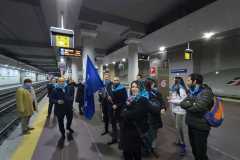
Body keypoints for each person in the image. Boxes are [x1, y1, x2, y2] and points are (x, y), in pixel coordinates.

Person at [180, 73, 214, 160]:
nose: (186, 82)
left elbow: (198, 107)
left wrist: (190, 104)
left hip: (201, 127)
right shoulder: (192, 91)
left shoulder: (206, 92)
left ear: (194, 81)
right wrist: (192, 104)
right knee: (194, 149)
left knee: (200, 152)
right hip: (191, 124)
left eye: (188, 80)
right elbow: (182, 103)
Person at [121, 81, 150, 160]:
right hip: (126, 130)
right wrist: (126, 113)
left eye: (136, 87)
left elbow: (136, 114)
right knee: (127, 153)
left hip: (136, 131)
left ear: (140, 88)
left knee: (136, 152)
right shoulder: (129, 99)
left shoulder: (143, 100)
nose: (134, 89)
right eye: (132, 87)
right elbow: (122, 112)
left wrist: (126, 113)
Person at [51, 77, 75, 148]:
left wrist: (71, 102)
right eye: (60, 81)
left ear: (65, 82)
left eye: (63, 81)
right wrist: (57, 101)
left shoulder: (68, 88)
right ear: (57, 82)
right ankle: (63, 133)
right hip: (60, 109)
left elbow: (71, 96)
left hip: (68, 108)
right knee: (60, 122)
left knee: (70, 119)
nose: (61, 82)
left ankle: (68, 127)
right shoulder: (54, 90)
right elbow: (51, 99)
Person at [145, 78, 165, 155]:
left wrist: (163, 108)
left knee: (154, 134)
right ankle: (147, 148)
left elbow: (162, 101)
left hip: (155, 117)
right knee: (147, 134)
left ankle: (152, 148)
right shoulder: (144, 93)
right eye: (152, 84)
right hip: (146, 117)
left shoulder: (157, 93)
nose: (154, 85)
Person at [168, 77, 188, 155]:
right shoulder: (175, 88)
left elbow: (183, 100)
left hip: (180, 111)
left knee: (179, 127)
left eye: (174, 79)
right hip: (176, 110)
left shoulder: (181, 89)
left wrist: (172, 100)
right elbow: (176, 97)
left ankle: (183, 146)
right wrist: (171, 98)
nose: (173, 80)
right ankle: (178, 141)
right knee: (177, 127)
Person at [108, 77, 128, 145]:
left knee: (121, 126)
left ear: (119, 81)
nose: (115, 81)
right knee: (113, 125)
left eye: (117, 80)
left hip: (120, 109)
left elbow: (125, 100)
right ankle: (114, 139)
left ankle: (122, 140)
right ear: (113, 81)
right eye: (114, 80)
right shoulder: (112, 88)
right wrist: (109, 98)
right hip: (113, 109)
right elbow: (112, 98)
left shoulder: (122, 88)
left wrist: (117, 105)